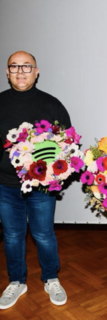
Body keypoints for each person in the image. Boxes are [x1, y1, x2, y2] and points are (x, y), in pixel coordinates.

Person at [0, 51, 71, 309]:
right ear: (7, 72)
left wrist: (54, 170)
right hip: (6, 185)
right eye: (14, 66)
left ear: (37, 71)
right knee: (12, 236)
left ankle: (51, 278)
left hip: (42, 187)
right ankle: (17, 282)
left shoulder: (52, 105)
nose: (20, 71)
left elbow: (68, 146)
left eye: (26, 66)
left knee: (43, 235)